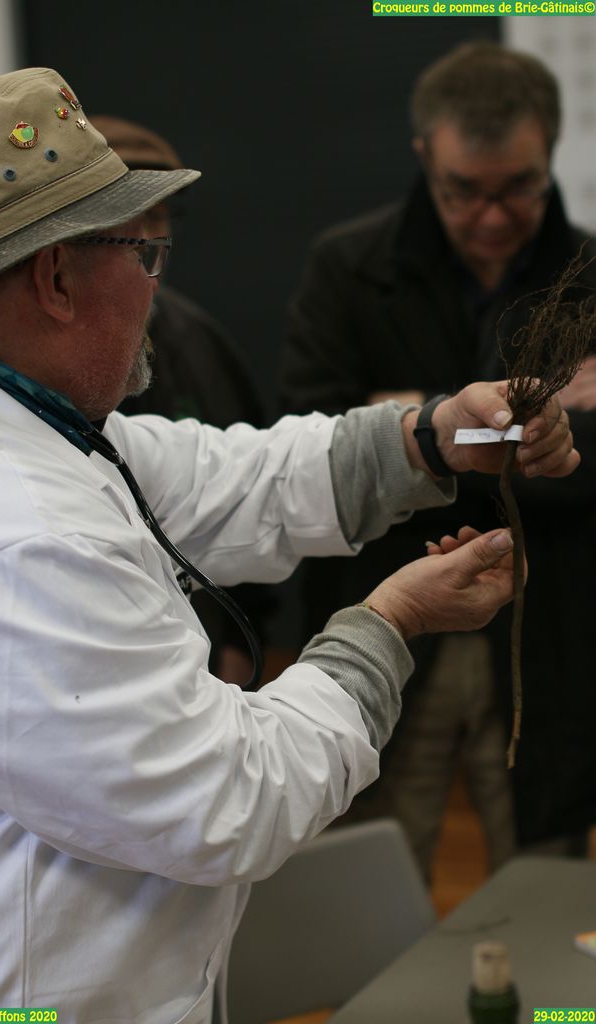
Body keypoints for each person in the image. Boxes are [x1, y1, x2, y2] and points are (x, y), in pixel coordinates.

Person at [0, 67, 577, 1018]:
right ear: (56, 278)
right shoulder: (12, 537)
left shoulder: (19, 422)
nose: (154, 287)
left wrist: (430, 437)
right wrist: (389, 621)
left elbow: (232, 476)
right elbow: (234, 802)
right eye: (141, 254)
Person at [280, 40, 596, 878]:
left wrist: (410, 418)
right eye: (464, 191)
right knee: (370, 875)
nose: (491, 217)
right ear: (425, 156)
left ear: (551, 151)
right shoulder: (348, 266)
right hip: (386, 596)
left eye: (518, 188)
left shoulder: (592, 275)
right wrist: (537, 427)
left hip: (549, 628)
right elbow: (311, 441)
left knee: (543, 875)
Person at [88, 114, 275, 687]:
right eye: (127, 218)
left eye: (159, 216)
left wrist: (245, 636)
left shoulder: (198, 337)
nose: (146, 239)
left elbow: (250, 474)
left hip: (207, 646)